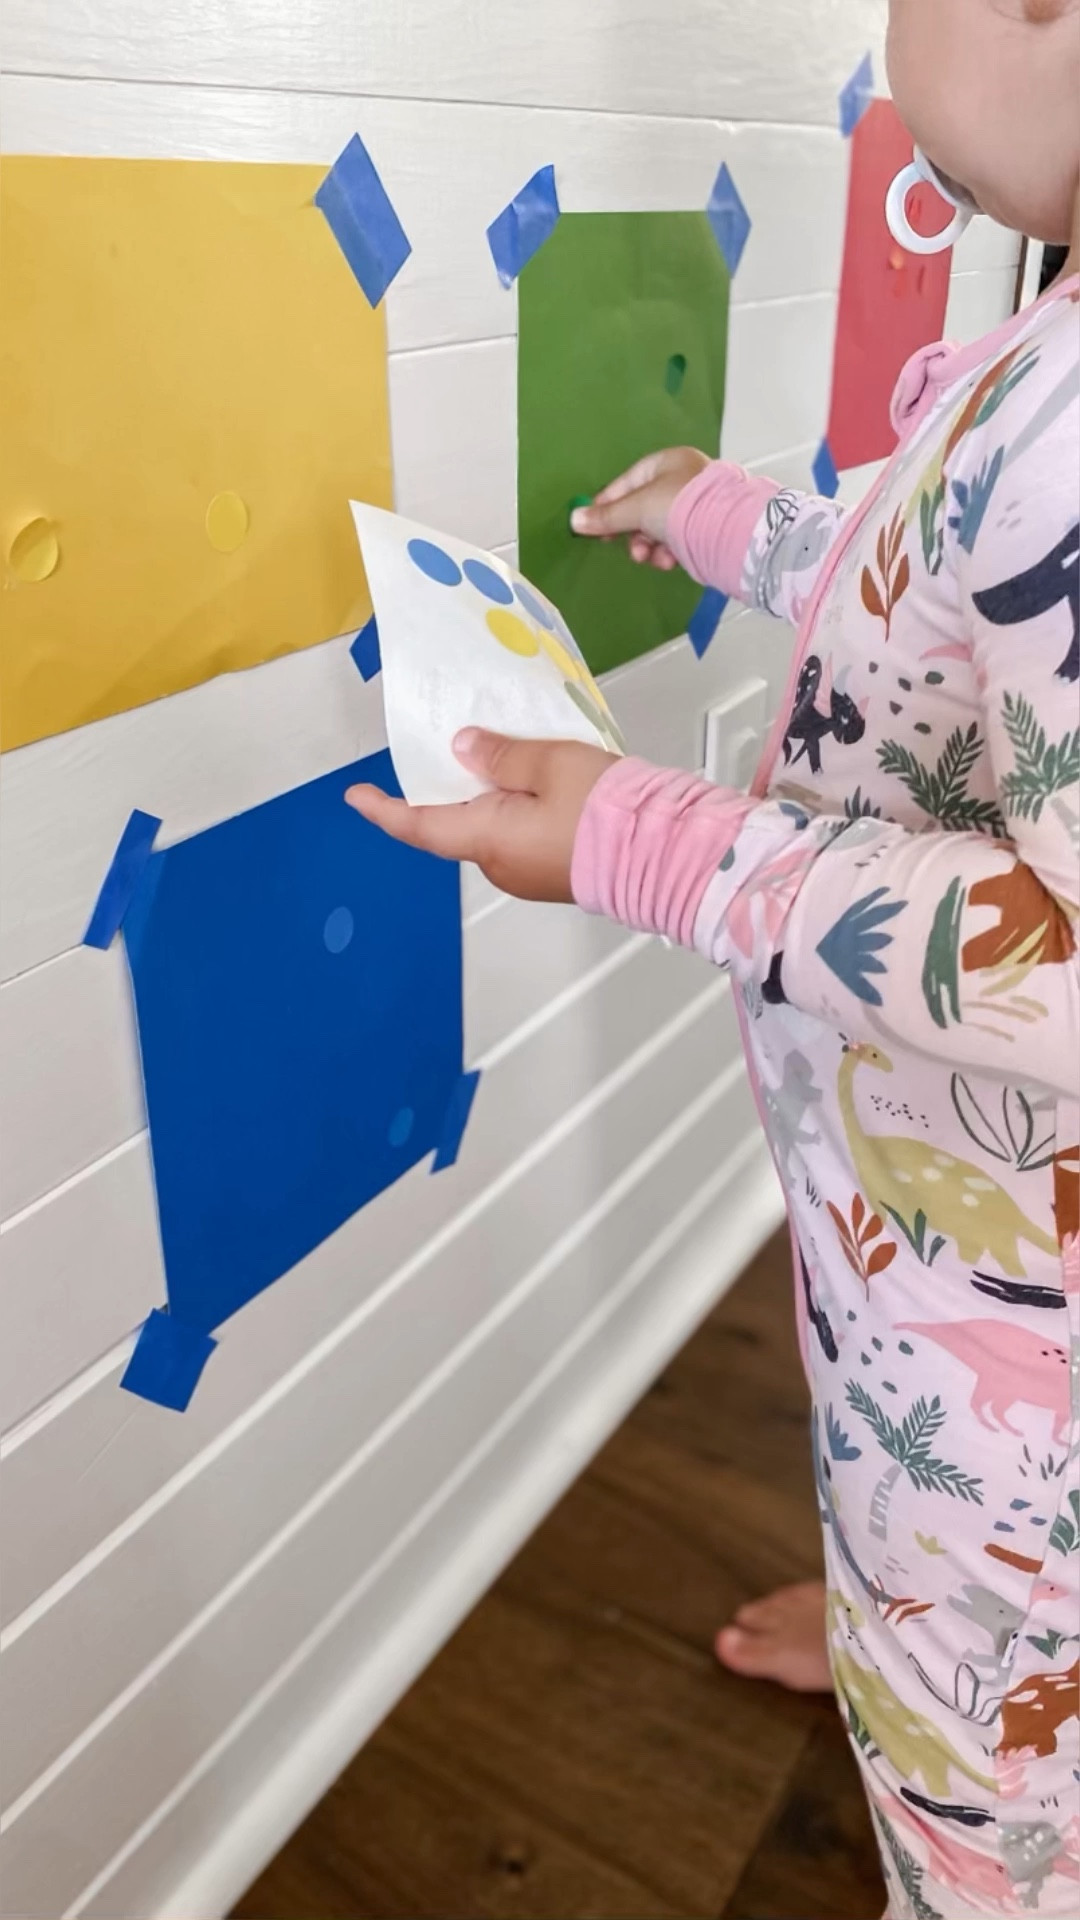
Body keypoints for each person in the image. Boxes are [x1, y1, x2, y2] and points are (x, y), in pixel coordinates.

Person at [348, 1, 1080, 1909]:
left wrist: (632, 832)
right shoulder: (1055, 331)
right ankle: (916, 1632)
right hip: (955, 1302)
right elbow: (966, 574)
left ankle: (957, 1719)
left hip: (1022, 1383)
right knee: (940, 1587)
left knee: (985, 1812)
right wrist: (733, 519)